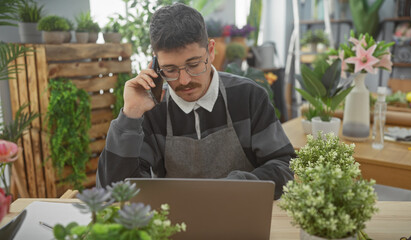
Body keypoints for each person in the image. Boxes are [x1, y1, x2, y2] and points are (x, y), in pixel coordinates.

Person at [96, 3, 295, 199]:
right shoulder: (150, 109)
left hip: (242, 219)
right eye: (170, 70)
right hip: (173, 226)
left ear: (211, 51)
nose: (184, 80)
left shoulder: (249, 96)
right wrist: (130, 115)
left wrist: (237, 187)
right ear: (156, 63)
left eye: (193, 64)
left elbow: (285, 166)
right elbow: (111, 193)